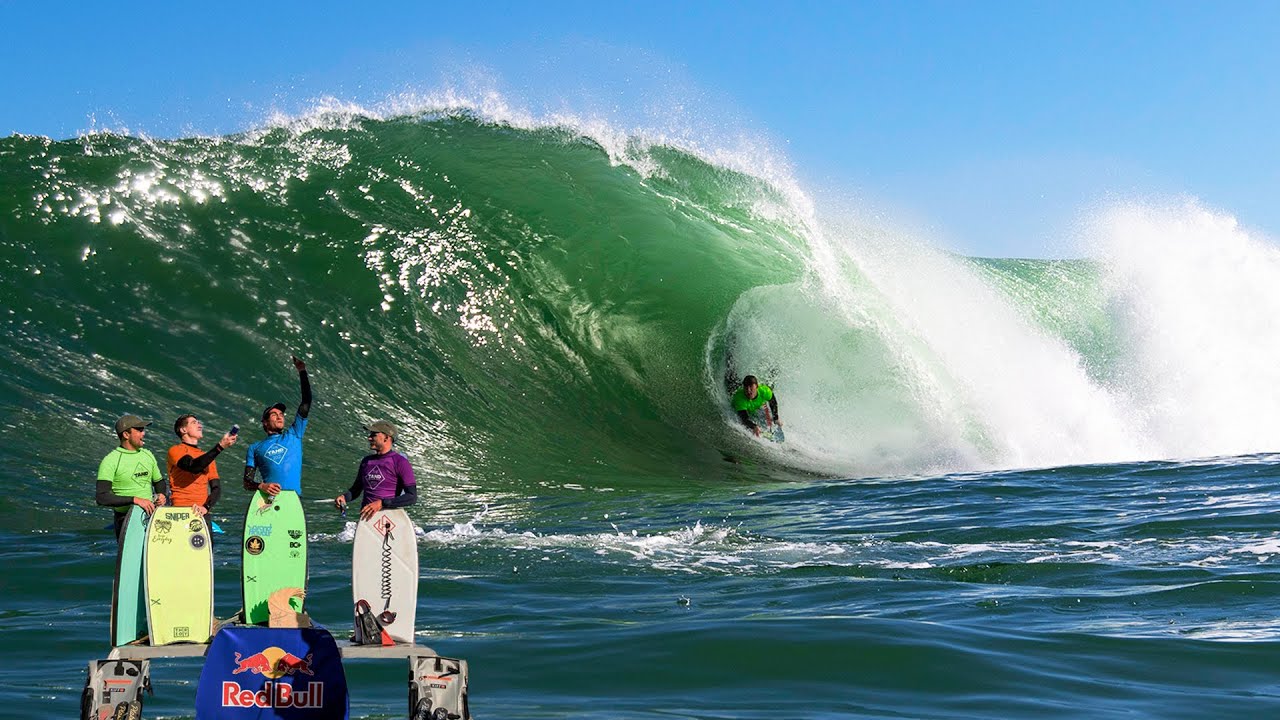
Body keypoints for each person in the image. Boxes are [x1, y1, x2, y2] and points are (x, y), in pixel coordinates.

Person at [244, 356, 312, 497]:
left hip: (293, 500)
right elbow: (247, 482)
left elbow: (306, 401)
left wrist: (302, 371)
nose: (280, 416)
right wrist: (261, 486)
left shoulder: (294, 434)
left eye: (281, 414)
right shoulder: (255, 448)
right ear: (265, 422)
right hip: (268, 499)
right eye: (274, 414)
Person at [96, 414, 168, 540]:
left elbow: (159, 482)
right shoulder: (111, 461)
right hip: (126, 519)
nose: (143, 433)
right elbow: (102, 497)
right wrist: (134, 500)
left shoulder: (147, 455)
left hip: (151, 516)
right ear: (126, 434)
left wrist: (161, 495)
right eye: (139, 430)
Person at [334, 421, 417, 521]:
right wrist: (344, 497)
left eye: (374, 435)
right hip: (367, 521)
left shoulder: (400, 462)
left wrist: (382, 503)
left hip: (389, 521)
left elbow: (411, 497)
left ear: (386, 437)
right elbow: (356, 490)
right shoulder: (366, 461)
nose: (369, 438)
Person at [167, 414, 238, 520]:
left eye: (199, 423)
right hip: (180, 511)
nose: (199, 425)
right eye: (194, 423)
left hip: (201, 513)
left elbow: (216, 488)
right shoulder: (175, 450)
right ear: (183, 430)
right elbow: (193, 467)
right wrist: (220, 446)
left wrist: (206, 507)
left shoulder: (207, 458)